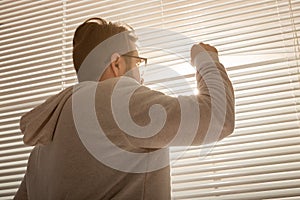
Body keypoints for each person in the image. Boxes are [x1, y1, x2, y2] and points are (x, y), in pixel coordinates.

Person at [14, 17, 235, 200]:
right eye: (137, 62)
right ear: (117, 63)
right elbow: (218, 117)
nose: (141, 75)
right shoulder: (117, 99)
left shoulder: (40, 153)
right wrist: (206, 60)